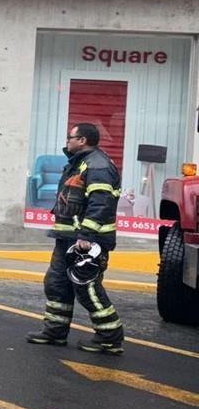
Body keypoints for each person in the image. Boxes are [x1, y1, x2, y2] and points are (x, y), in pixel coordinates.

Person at [26, 122, 125, 354]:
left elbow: (101, 203)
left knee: (86, 287)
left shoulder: (97, 165)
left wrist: (87, 236)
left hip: (86, 242)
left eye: (71, 137)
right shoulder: (79, 164)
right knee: (56, 283)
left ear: (82, 140)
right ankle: (55, 331)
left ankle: (110, 336)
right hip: (67, 238)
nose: (67, 141)